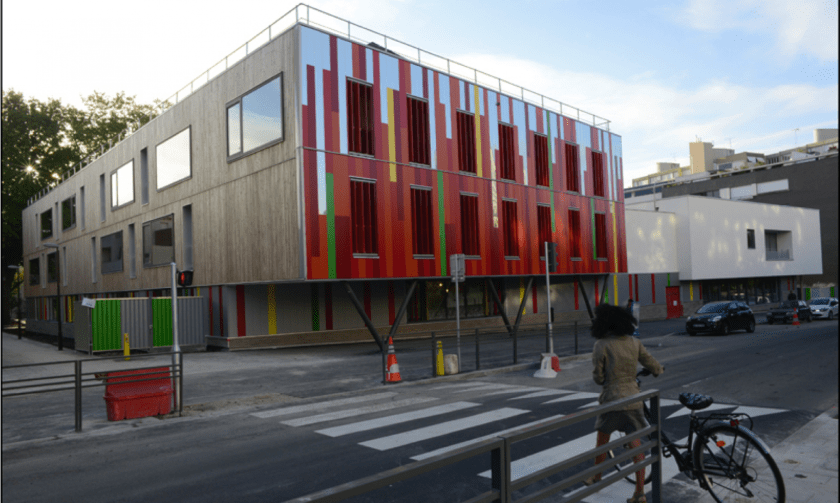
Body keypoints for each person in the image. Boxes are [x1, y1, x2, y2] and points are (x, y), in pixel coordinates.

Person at [584, 303, 664, 503]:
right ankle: (640, 492)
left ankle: (596, 476)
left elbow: (598, 377)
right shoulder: (634, 342)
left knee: (602, 440)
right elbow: (650, 362)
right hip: (633, 399)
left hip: (612, 400)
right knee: (636, 444)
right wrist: (658, 370)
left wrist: (605, 378)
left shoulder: (601, 344)